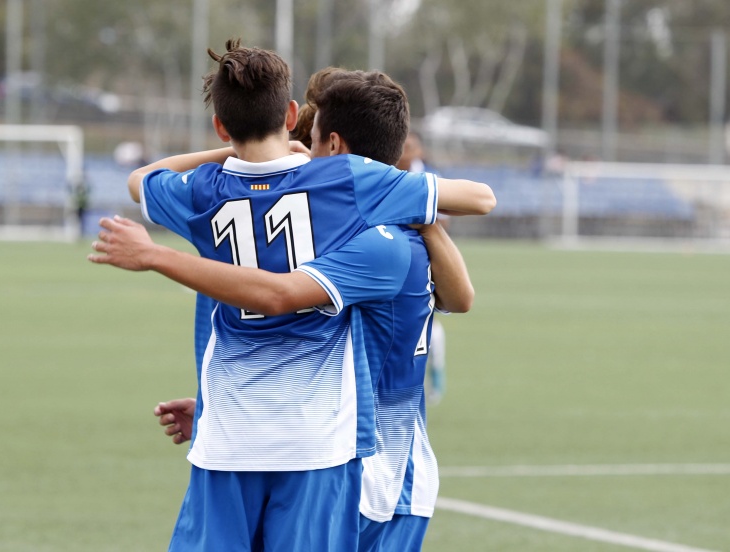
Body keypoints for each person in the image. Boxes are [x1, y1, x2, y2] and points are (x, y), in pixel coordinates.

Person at [95, 39, 494, 551]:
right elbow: (476, 218)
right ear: (289, 116)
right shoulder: (346, 187)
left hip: (241, 441)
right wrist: (396, 193)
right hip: (315, 444)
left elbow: (142, 180)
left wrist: (231, 151)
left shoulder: (203, 192)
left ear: (220, 124)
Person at [397, 131, 447, 404]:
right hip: (396, 254)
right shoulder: (386, 172)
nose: (406, 151)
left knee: (430, 316)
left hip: (425, 255)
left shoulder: (430, 178)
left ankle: (435, 370)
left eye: (411, 146)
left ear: (419, 151)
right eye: (403, 146)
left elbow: (445, 219)